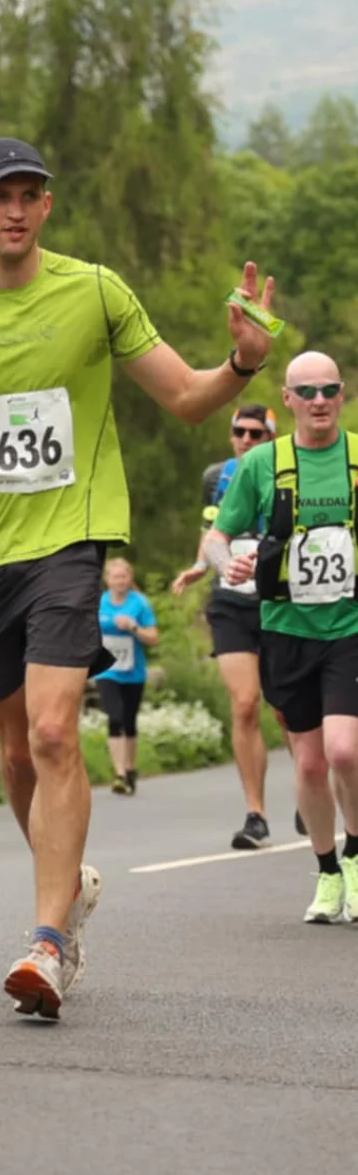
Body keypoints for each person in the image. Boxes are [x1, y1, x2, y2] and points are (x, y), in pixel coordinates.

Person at [0, 135, 277, 1020]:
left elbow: (182, 397)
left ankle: (47, 942)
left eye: (30, 194)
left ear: (46, 206)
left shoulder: (93, 291)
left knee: (54, 735)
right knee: (15, 751)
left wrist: (240, 362)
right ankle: (66, 886)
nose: (15, 208)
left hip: (70, 542)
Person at [205, 351, 358, 924]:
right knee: (312, 763)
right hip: (285, 629)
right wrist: (228, 567)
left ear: (340, 396)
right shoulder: (262, 464)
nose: (320, 400)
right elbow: (218, 537)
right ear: (288, 401)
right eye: (307, 391)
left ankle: (356, 859)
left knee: (346, 750)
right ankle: (325, 871)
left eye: (330, 390)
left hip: (349, 626)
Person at [171, 403, 289, 847]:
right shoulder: (215, 478)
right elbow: (213, 531)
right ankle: (255, 814)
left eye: (256, 433)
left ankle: (308, 792)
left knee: (285, 709)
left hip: (279, 601)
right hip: (230, 601)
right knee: (244, 704)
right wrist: (202, 565)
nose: (246, 439)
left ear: (270, 438)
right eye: (239, 431)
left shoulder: (285, 474)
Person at [94, 556, 158, 795]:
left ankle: (130, 768)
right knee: (115, 717)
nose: (119, 581)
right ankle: (119, 773)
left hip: (133, 672)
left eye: (123, 576)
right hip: (107, 670)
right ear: (107, 580)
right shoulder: (99, 603)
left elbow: (153, 638)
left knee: (129, 721)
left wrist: (133, 627)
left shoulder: (139, 603)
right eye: (115, 577)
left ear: (129, 579)